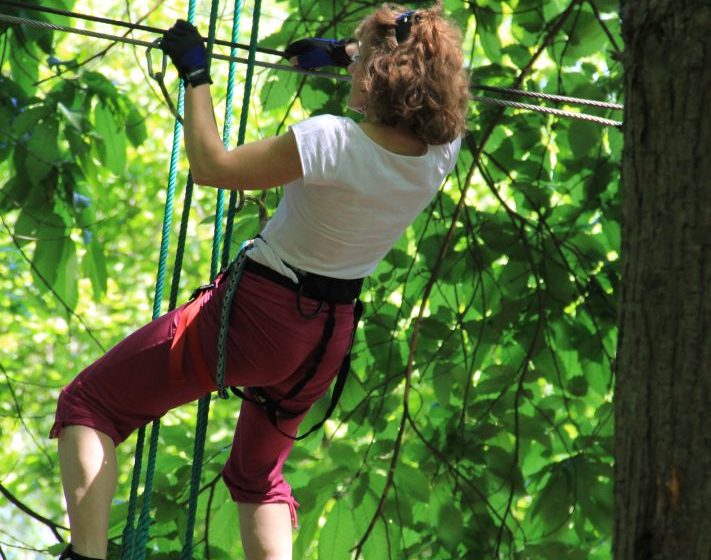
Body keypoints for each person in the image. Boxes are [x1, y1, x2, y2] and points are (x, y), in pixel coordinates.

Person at [51, 2, 468, 559]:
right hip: (324, 340)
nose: (349, 71)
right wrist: (345, 51)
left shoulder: (332, 141)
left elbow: (213, 168)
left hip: (258, 318)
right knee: (255, 476)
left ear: (377, 76)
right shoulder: (441, 152)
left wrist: (195, 75)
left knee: (90, 404)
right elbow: (427, 78)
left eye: (357, 63)